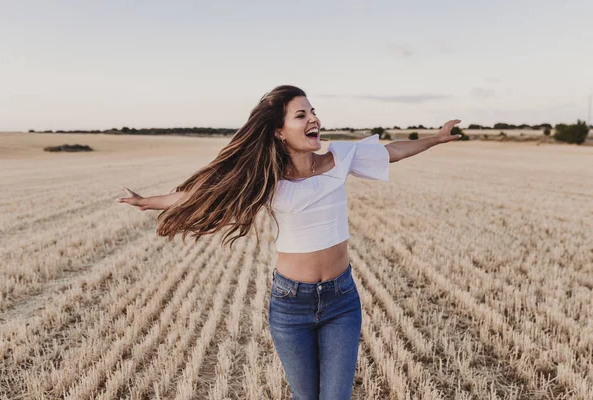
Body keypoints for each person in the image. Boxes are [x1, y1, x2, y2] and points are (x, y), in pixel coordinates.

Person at [117, 85, 461, 399]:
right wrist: (148, 201)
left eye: (313, 112)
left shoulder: (341, 158)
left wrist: (436, 138)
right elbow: (206, 191)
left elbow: (392, 151)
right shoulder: (266, 177)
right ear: (279, 132)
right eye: (302, 115)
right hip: (291, 303)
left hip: (342, 300)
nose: (314, 119)